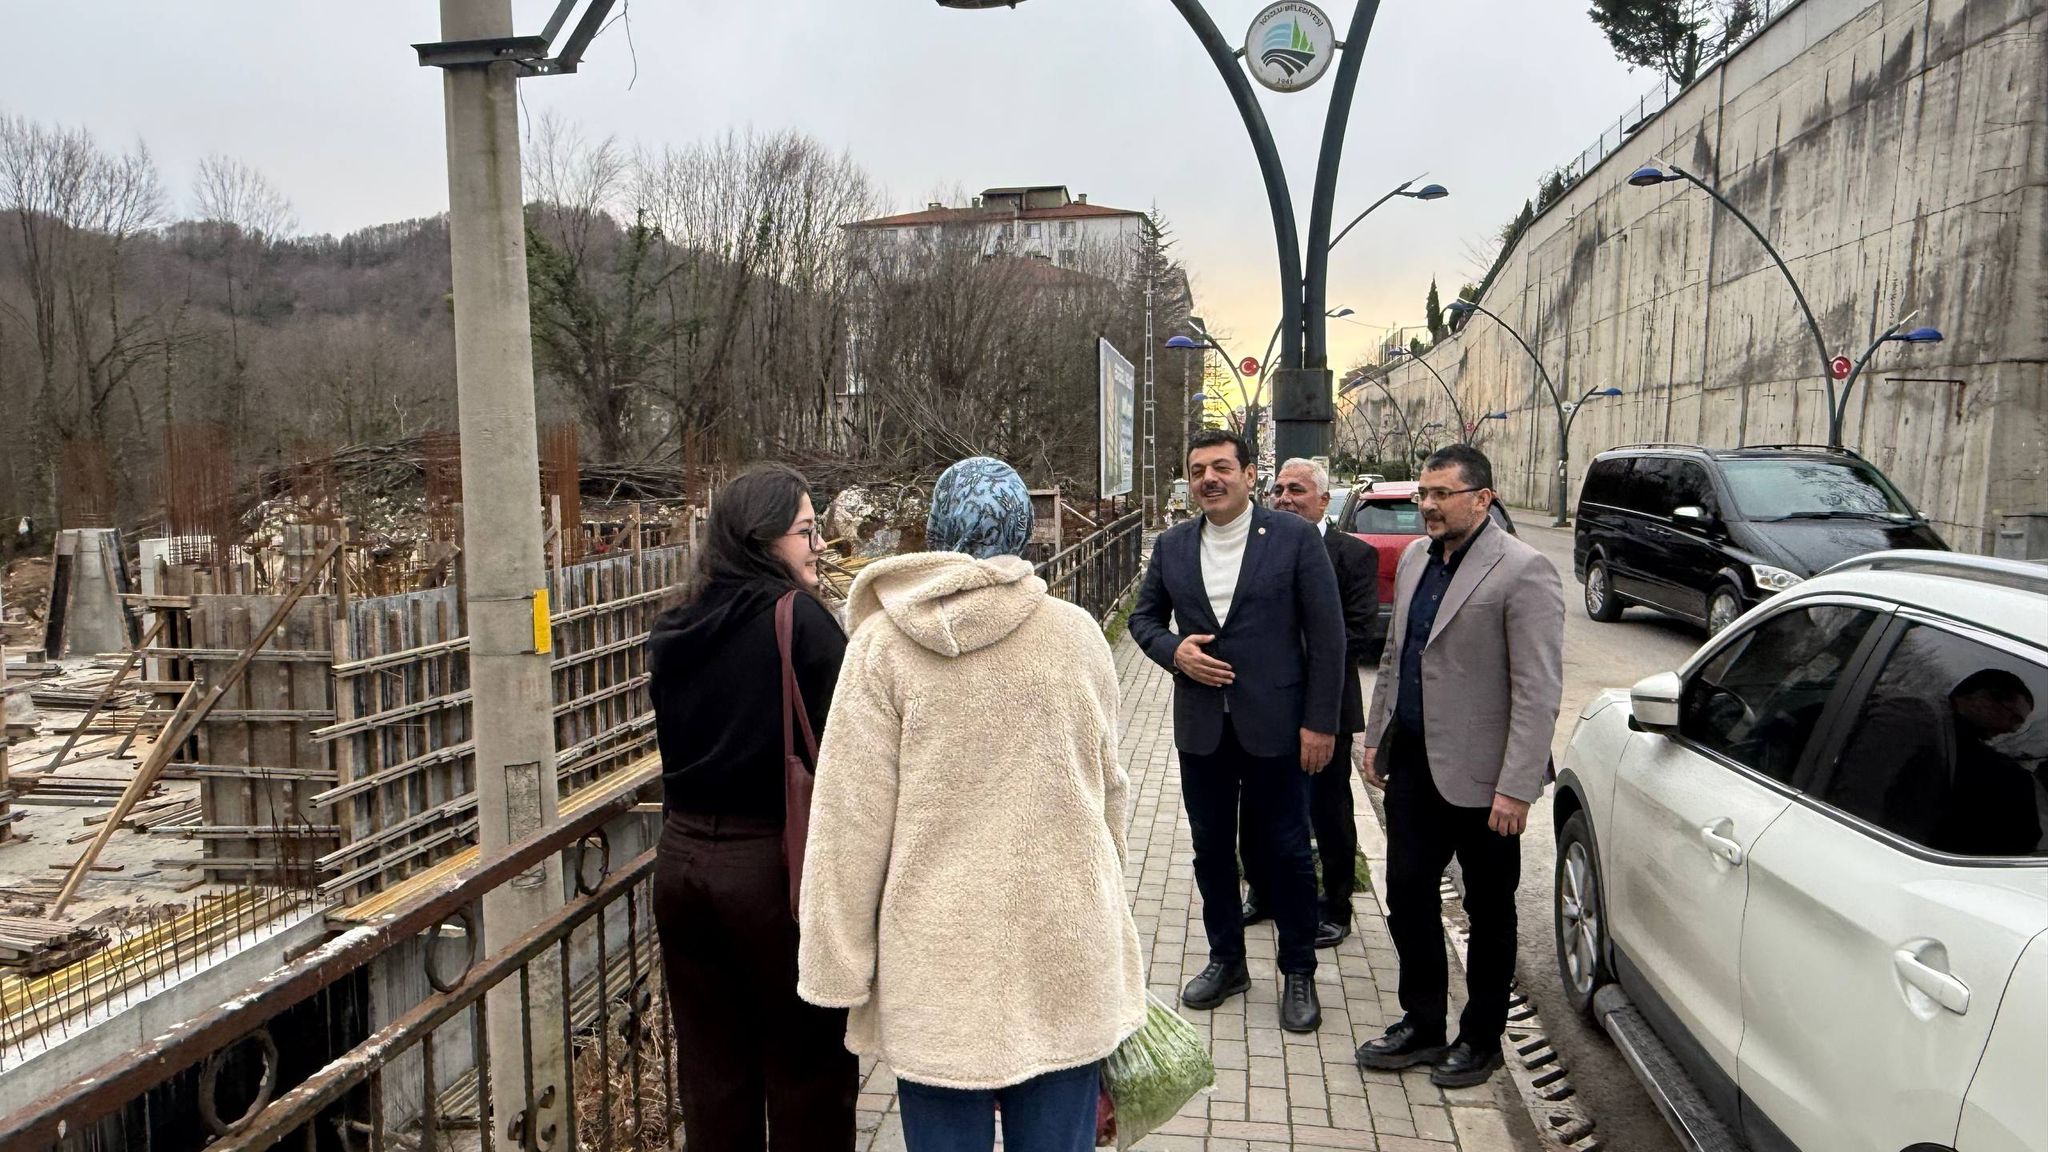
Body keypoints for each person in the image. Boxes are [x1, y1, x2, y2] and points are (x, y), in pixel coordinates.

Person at [798, 457, 1145, 1152]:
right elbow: (1108, 791)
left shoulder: (882, 647)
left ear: (936, 528)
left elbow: (849, 821)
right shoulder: (1076, 635)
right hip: (1064, 949)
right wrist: (1110, 909)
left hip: (937, 966)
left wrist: (837, 966)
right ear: (1024, 533)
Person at [647, 464, 856, 1151]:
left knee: (714, 1074)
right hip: (773, 873)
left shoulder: (676, 625)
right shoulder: (801, 621)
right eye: (806, 531)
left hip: (681, 868)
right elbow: (852, 755)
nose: (818, 546)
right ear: (764, 538)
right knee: (807, 1073)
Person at [1355, 444, 1563, 1089]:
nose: (1428, 505)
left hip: (1487, 778)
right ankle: (1422, 1024)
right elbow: (1396, 657)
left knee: (1489, 910)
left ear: (1482, 498)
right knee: (1406, 894)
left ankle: (1481, 1038)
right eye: (1423, 493)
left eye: (1441, 494)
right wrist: (1376, 737)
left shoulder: (1524, 570)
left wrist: (1517, 788)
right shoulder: (1416, 559)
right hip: (1416, 764)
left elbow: (1537, 690)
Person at [1128, 429, 1346, 1033]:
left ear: (1250, 475)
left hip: (1279, 725)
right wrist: (1175, 652)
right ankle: (1227, 960)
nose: (1209, 479)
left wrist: (1319, 724)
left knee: (1288, 851)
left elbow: (1328, 638)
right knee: (1211, 850)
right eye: (1199, 469)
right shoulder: (1173, 545)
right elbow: (1143, 620)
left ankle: (1298, 971)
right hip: (1203, 729)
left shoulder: (1294, 539)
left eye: (1222, 467)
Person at [1243, 458, 1380, 947]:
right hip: (1265, 705)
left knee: (1328, 809)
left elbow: (1358, 632)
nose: (1284, 498)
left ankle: (1336, 906)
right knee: (1259, 805)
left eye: (1296, 490)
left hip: (1326, 707)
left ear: (1324, 500)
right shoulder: (1254, 549)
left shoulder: (1353, 555)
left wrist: (1285, 655)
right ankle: (1263, 893)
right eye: (1278, 489)